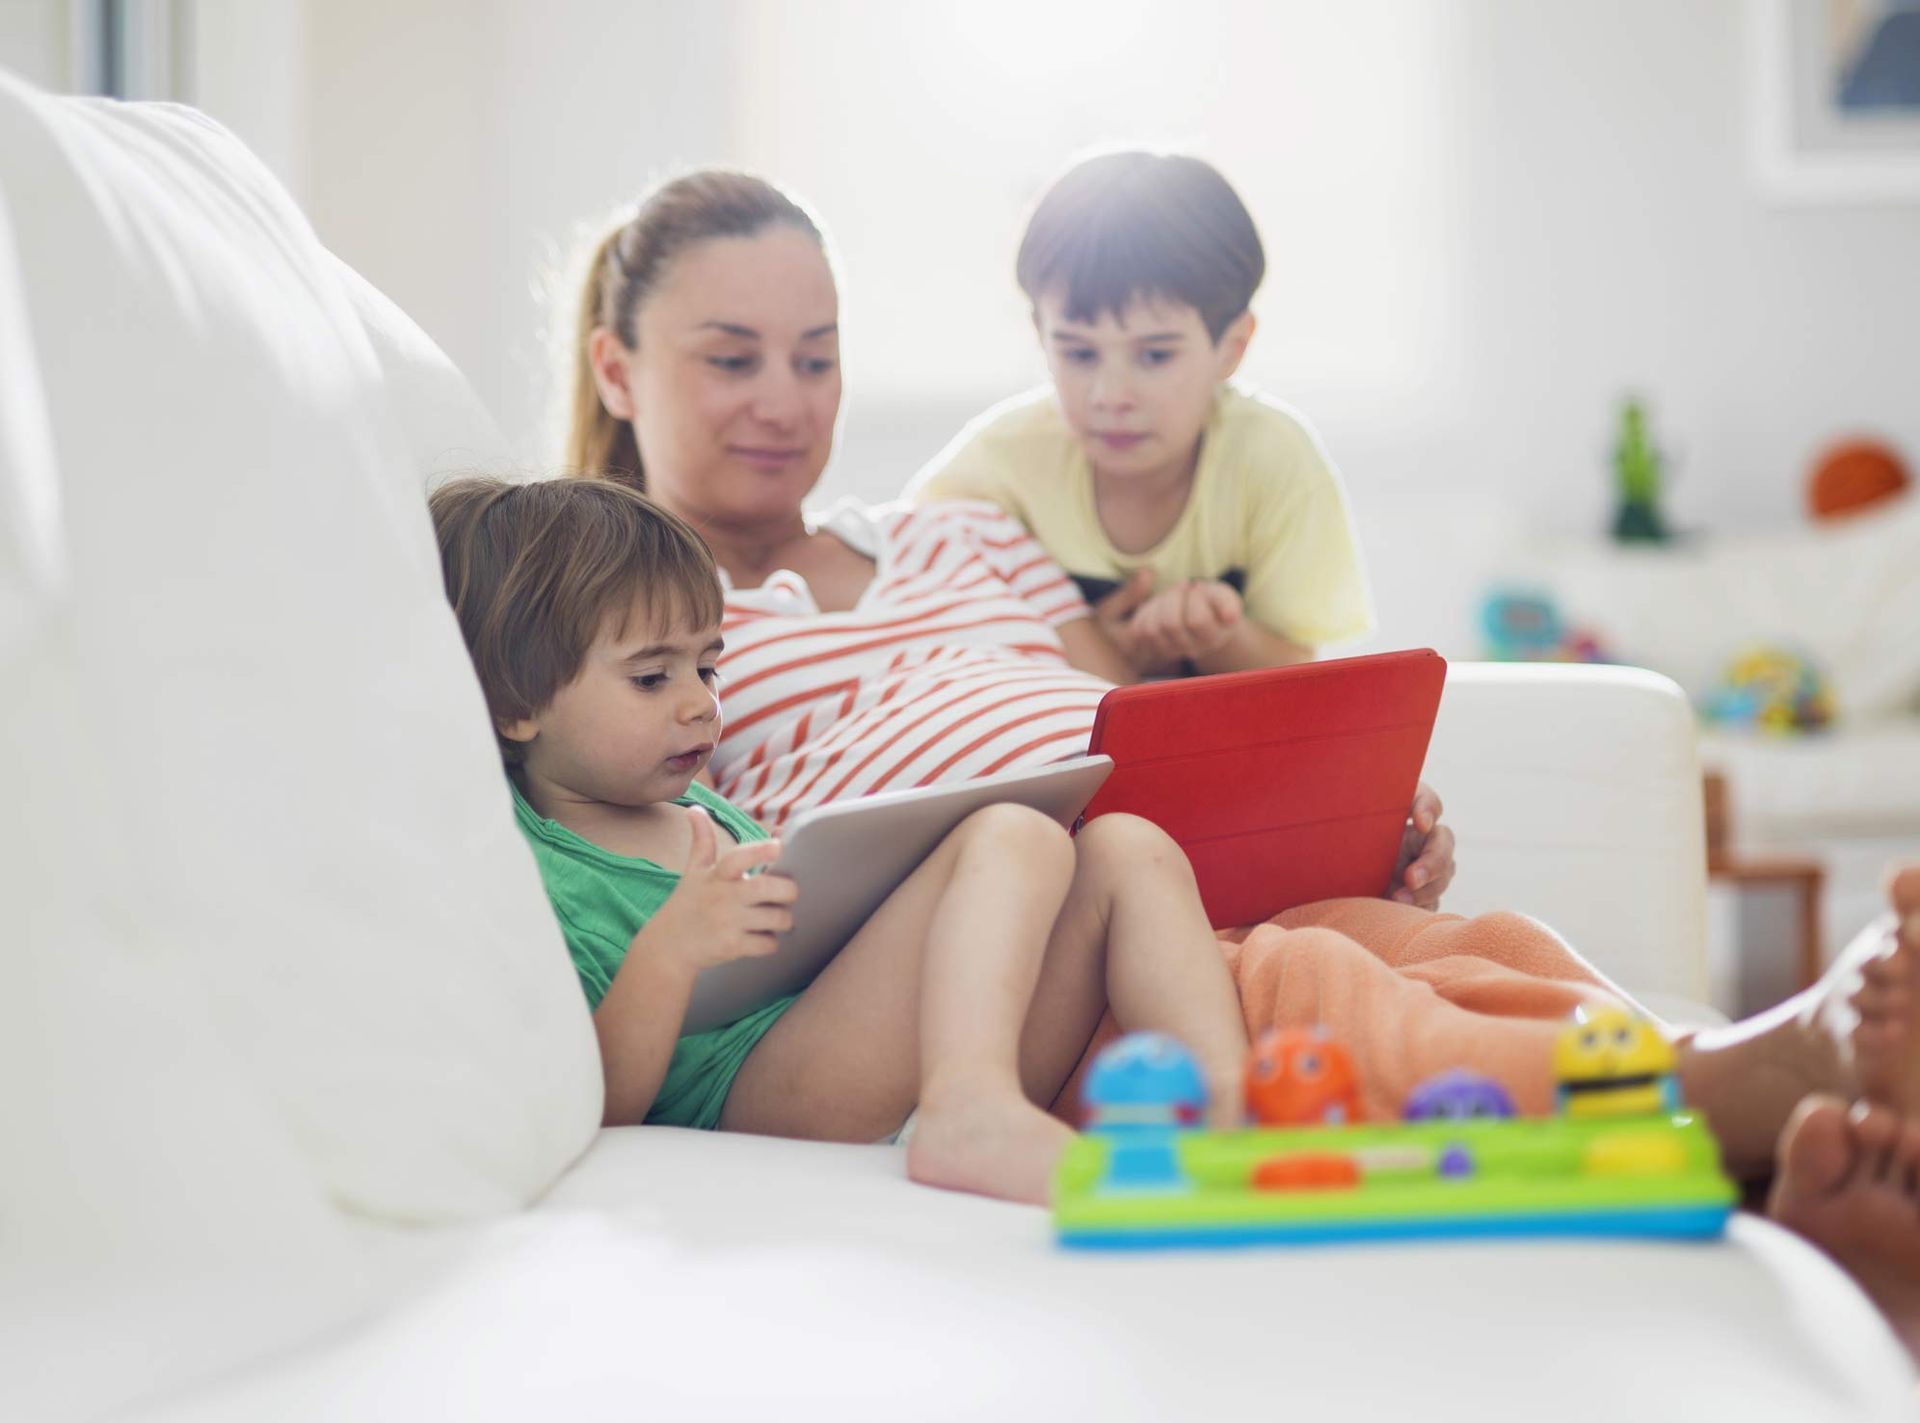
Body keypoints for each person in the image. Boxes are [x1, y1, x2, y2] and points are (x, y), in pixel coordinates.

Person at [558, 167, 1919, 1181]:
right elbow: (621, 836)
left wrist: (1333, 805)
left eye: (819, 355)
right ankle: (1765, 1080)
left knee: (1470, 947)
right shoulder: (631, 644)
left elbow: (1147, 724)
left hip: (1174, 857)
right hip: (1029, 950)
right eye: (731, 360)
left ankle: (1784, 1125)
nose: (786, 402)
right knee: (1314, 995)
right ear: (618, 369)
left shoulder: (960, 527)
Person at [429, 475, 1252, 1205]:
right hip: (761, 1100)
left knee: (1122, 845)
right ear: (513, 707)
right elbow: (596, 1102)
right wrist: (668, 954)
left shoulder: (704, 818)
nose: (698, 705)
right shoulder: (536, 868)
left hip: (864, 1063)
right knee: (1011, 834)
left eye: (706, 670)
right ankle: (971, 1112)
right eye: (652, 678)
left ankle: (1227, 1114)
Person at [910, 149, 1370, 678]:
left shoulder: (1272, 460)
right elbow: (929, 632)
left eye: (1155, 356)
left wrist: (1216, 637)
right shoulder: (995, 468)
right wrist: (1085, 646)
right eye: (1080, 354)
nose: (1110, 396)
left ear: (1232, 346)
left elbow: (1298, 674)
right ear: (1041, 335)